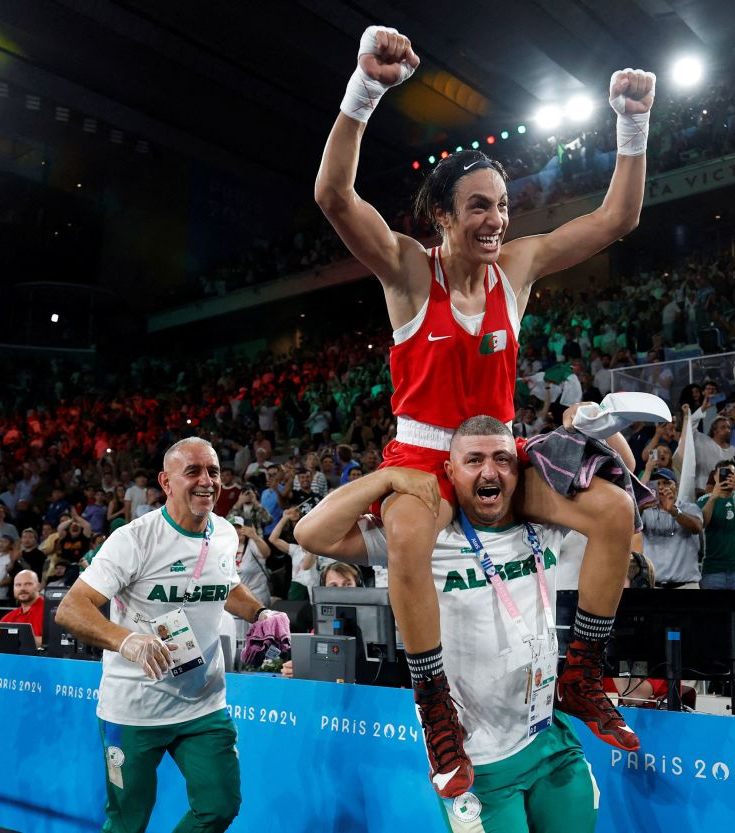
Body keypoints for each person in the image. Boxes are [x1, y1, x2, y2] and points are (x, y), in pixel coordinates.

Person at [314, 24, 651, 795]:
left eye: (502, 205)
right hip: (424, 456)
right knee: (404, 536)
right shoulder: (405, 267)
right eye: (479, 207)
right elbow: (333, 196)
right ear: (442, 214)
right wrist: (365, 88)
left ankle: (582, 671)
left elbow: (616, 221)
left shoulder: (519, 266)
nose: (497, 220)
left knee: (611, 513)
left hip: (500, 451)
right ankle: (435, 706)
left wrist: (632, 124)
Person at [296, 416, 611, 831]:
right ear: (448, 471)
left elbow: (619, 495)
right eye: (474, 459)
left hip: (551, 738)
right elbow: (312, 534)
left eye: (502, 459)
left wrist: (599, 422)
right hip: (476, 761)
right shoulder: (425, 536)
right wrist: (387, 477)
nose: (489, 471)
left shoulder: (543, 524)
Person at [53, 438, 290, 833]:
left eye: (213, 472)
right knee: (128, 821)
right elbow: (71, 607)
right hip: (133, 709)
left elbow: (226, 586)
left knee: (219, 806)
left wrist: (261, 612)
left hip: (203, 704)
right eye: (193, 471)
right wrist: (127, 640)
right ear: (166, 481)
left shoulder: (226, 534)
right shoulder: (133, 539)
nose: (207, 481)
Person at [697, 463, 735, 592]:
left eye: (731, 474)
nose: (727, 478)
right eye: (723, 474)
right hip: (712, 570)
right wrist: (713, 497)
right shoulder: (704, 500)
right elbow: (701, 524)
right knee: (713, 612)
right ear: (715, 477)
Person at [640, 468, 704, 587]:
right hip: (654, 586)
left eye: (666, 482)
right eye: (657, 483)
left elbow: (697, 527)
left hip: (686, 586)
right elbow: (627, 529)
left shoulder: (690, 508)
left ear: (677, 486)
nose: (661, 487)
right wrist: (640, 506)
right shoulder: (645, 511)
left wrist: (673, 511)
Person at [0, 569, 44, 647]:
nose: (22, 588)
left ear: (38, 587)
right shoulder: (8, 617)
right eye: (18, 585)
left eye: (28, 584)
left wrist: (14, 639)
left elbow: (56, 641)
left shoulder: (51, 613)